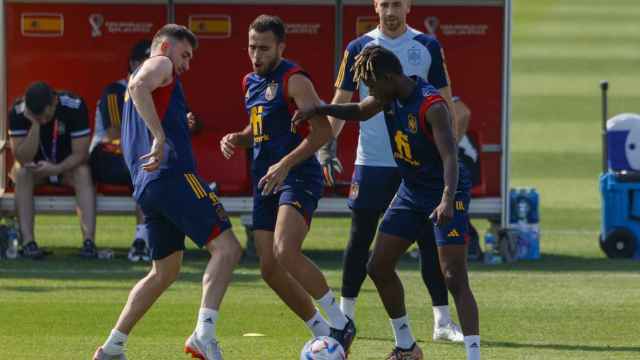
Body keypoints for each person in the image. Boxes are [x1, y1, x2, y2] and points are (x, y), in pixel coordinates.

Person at [294, 45, 480, 360]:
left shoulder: (431, 105)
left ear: (390, 77)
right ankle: (407, 347)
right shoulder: (388, 96)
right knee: (378, 266)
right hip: (412, 189)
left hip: (446, 191)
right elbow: (360, 110)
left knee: (453, 275)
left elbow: (451, 156)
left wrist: (448, 198)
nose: (371, 92)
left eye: (373, 85)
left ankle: (474, 356)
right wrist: (320, 109)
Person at [93, 24, 242, 360]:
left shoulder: (164, 82)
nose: (187, 63)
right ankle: (204, 334)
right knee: (228, 249)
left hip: (150, 188)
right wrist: (161, 136)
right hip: (173, 176)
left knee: (165, 270)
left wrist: (173, 123)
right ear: (165, 46)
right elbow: (138, 83)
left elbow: (146, 97)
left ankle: (112, 348)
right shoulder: (160, 63)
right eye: (185, 54)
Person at [321, 0, 463, 342]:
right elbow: (344, 100)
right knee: (359, 238)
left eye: (397, 4)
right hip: (371, 161)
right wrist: (327, 146)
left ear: (409, 6)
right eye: (385, 3)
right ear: (375, 5)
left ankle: (441, 321)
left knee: (430, 240)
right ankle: (345, 317)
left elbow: (445, 101)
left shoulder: (427, 46)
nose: (390, 11)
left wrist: (448, 156)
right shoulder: (358, 48)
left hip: (417, 166)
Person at [219, 15, 356, 353]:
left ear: (281, 47)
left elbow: (322, 132)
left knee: (285, 249)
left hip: (297, 175)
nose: (256, 54)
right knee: (268, 267)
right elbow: (259, 128)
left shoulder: (295, 80)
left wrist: (285, 163)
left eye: (264, 48)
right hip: (267, 179)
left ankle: (340, 323)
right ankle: (321, 329)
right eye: (252, 47)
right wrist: (237, 138)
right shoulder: (250, 81)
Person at [8, 81, 96, 259]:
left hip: (66, 167)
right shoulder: (18, 111)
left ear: (54, 102)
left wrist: (56, 168)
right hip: (36, 170)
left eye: (45, 115)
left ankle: (89, 242)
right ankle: (28, 243)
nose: (42, 118)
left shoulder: (74, 106)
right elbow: (22, 157)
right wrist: (35, 125)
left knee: (83, 172)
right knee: (21, 172)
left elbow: (81, 154)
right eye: (36, 115)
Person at [89, 40, 153, 262]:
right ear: (134, 63)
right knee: (147, 168)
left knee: (148, 170)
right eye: (148, 60)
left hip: (137, 159)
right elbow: (115, 134)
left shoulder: (163, 89)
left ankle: (142, 240)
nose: (153, 65)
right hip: (107, 157)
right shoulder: (116, 91)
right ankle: (142, 240)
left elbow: (191, 124)